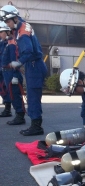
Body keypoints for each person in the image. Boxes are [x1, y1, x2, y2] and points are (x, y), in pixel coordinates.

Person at [0, 4, 47, 136]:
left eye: (8, 21)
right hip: (33, 65)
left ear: (14, 18)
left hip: (34, 65)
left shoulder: (22, 32)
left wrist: (18, 62)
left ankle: (36, 126)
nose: (7, 25)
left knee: (33, 97)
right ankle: (34, 124)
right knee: (32, 96)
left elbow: (27, 51)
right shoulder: (21, 28)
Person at [0, 22, 13, 118]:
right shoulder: (1, 43)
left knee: (7, 88)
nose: (0, 34)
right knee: (2, 89)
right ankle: (6, 107)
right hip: (2, 69)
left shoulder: (10, 43)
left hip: (7, 70)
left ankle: (9, 109)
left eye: (1, 32)